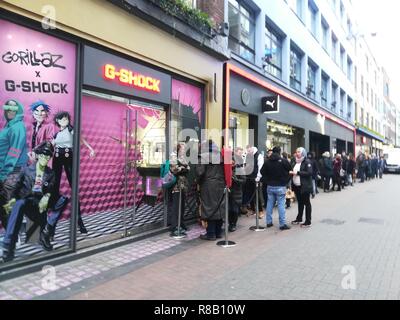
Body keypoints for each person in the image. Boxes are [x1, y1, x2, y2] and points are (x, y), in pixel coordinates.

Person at [2, 142, 62, 262]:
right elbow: (16, 187)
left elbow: (51, 189)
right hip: (27, 201)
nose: (45, 158)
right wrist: (12, 199)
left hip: (40, 206)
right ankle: (9, 247)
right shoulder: (27, 170)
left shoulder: (50, 173)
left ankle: (46, 231)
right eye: (43, 155)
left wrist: (47, 196)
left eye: (48, 156)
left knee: (63, 199)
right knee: (19, 204)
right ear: (38, 156)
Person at [52, 111, 95, 234]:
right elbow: (50, 146)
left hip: (68, 157)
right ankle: (52, 224)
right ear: (58, 121)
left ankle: (79, 221)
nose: (64, 121)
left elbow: (81, 140)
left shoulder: (71, 131)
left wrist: (90, 148)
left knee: (74, 189)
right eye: (61, 119)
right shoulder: (56, 134)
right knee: (54, 190)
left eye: (66, 119)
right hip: (56, 159)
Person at [0, 100, 29, 230]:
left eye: (13, 108)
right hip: (6, 170)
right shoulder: (9, 126)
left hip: (12, 171)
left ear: (19, 110)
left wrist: (5, 173)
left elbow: (14, 151)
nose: (10, 111)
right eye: (8, 108)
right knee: (7, 203)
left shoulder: (17, 127)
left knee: (7, 204)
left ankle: (12, 238)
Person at [196, 140, 225, 240]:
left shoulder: (203, 156)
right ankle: (218, 232)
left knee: (209, 207)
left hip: (208, 185)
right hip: (220, 184)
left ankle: (211, 234)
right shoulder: (220, 156)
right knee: (219, 207)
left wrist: (197, 182)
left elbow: (200, 172)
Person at [260, 146, 291, 231]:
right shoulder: (284, 161)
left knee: (269, 204)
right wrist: (286, 179)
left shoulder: (267, 161)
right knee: (281, 205)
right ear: (280, 152)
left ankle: (269, 222)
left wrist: (267, 180)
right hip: (281, 185)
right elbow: (290, 169)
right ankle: (282, 224)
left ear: (273, 152)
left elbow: (262, 172)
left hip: (270, 186)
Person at [168, 143, 190, 236]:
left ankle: (181, 224)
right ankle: (174, 227)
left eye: (184, 148)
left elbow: (188, 168)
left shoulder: (182, 158)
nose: (184, 150)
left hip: (183, 185)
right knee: (176, 207)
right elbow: (174, 170)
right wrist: (183, 168)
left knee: (182, 206)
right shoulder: (173, 157)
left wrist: (183, 168)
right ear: (178, 149)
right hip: (176, 185)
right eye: (182, 148)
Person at [290, 147, 313, 227]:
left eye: (299, 151)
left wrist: (298, 172)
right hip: (297, 186)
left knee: (307, 203)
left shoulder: (307, 161)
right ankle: (299, 218)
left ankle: (308, 221)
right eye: (296, 152)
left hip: (305, 186)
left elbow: (309, 173)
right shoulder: (295, 161)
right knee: (300, 203)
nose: (297, 153)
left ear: (303, 153)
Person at [242, 145, 264, 217]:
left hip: (255, 177)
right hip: (248, 177)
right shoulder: (248, 156)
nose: (248, 152)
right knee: (249, 194)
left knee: (256, 195)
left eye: (249, 151)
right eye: (247, 151)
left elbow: (260, 167)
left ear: (252, 149)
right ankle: (253, 210)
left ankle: (260, 211)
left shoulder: (259, 156)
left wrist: (258, 177)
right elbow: (244, 165)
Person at [228, 147, 246, 232]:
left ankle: (233, 224)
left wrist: (235, 179)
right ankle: (230, 223)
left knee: (234, 210)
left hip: (236, 192)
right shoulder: (228, 169)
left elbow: (243, 180)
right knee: (228, 209)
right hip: (228, 192)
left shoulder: (239, 168)